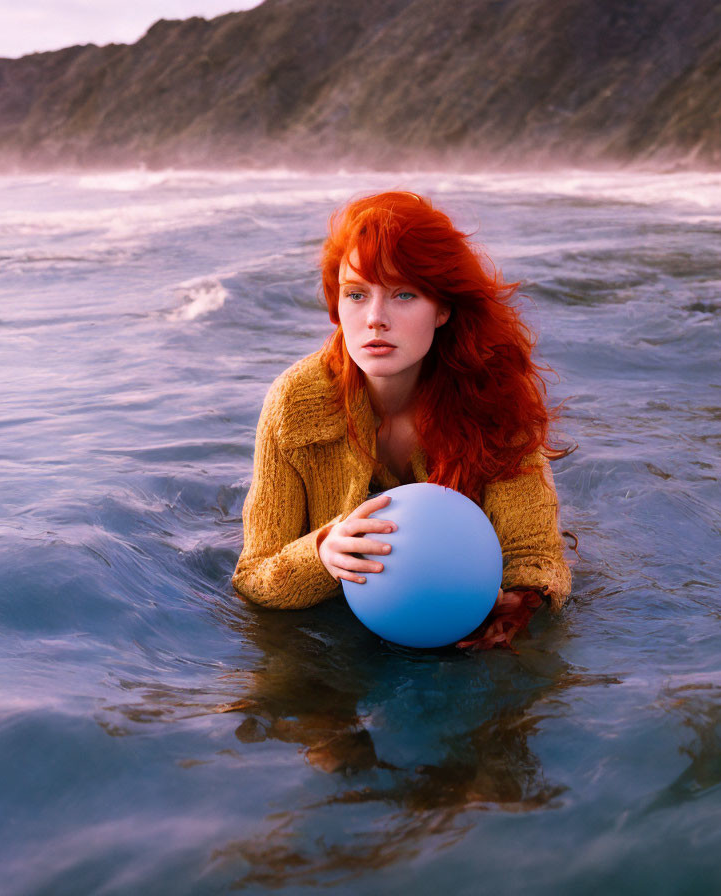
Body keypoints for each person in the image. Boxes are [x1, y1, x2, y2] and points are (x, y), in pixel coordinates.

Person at [231, 191, 572, 649]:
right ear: (337, 307)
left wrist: (516, 606)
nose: (375, 319)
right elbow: (254, 574)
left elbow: (536, 556)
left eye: (404, 294)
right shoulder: (294, 404)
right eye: (356, 294)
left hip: (456, 621)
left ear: (443, 309)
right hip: (334, 632)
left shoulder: (495, 399)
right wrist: (322, 553)